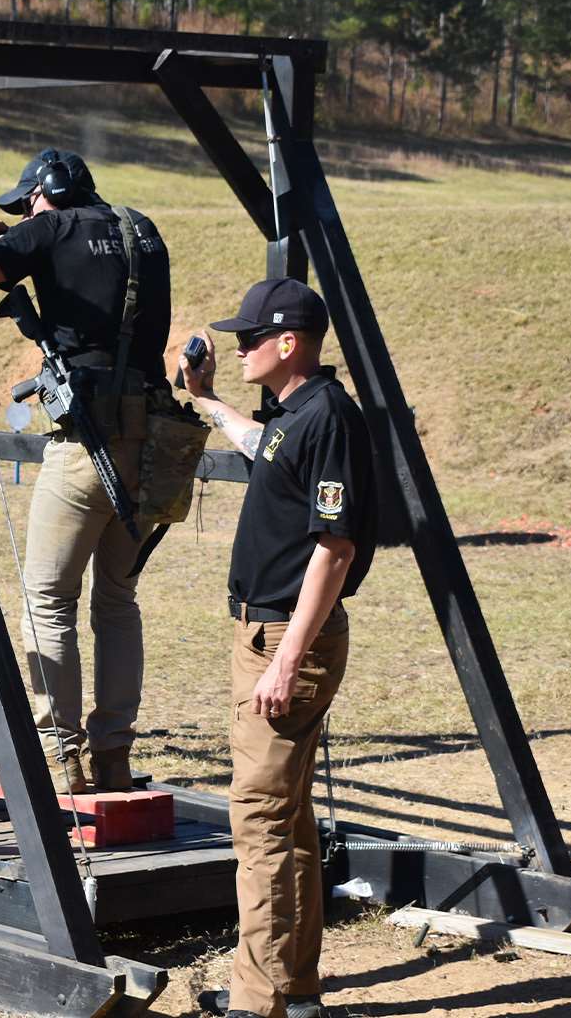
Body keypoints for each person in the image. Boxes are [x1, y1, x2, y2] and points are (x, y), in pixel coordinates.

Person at [0, 148, 173, 794]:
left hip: (84, 445)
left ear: (48, 192)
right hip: (152, 445)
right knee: (117, 600)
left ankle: (61, 758)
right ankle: (115, 758)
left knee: (47, 601)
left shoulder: (50, 228)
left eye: (27, 204)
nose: (24, 214)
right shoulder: (144, 232)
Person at [179, 278, 378, 1018]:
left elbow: (336, 545)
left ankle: (255, 1005)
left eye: (249, 339)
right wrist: (206, 400)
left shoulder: (328, 418)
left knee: (258, 821)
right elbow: (266, 448)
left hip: (285, 639)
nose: (237, 350)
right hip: (269, 634)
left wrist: (289, 657)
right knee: (285, 821)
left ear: (288, 343)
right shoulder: (297, 414)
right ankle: (289, 989)